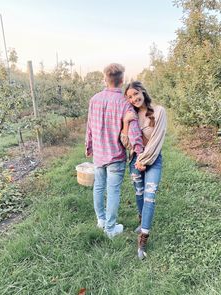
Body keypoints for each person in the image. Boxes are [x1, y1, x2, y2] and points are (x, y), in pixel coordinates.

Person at [85, 64, 144, 238]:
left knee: (98, 186)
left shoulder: (94, 99)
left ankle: (101, 221)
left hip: (99, 153)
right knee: (113, 191)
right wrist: (139, 152)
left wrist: (89, 146)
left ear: (105, 79)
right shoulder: (125, 103)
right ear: (122, 80)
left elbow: (89, 126)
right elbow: (133, 132)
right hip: (116, 156)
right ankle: (110, 229)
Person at [121, 81, 167, 259]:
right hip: (134, 161)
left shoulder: (159, 111)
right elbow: (126, 144)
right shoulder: (130, 115)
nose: (134, 99)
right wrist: (125, 123)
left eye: (135, 94)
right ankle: (142, 221)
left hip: (152, 160)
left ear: (142, 91)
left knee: (149, 195)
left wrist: (144, 160)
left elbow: (156, 141)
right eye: (130, 97)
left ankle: (143, 238)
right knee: (139, 193)